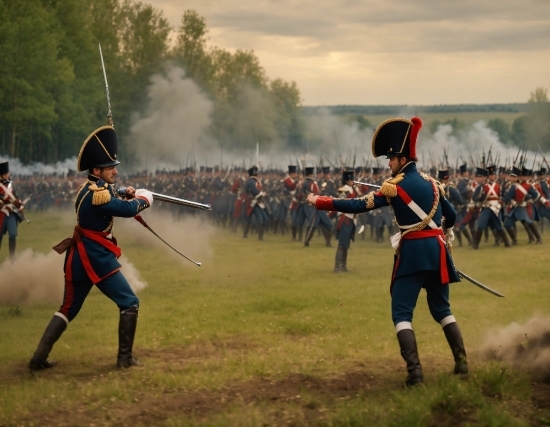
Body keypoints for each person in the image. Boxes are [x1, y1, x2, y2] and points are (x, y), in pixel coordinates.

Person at [307, 117, 468, 386]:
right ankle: (462, 363)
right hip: (438, 252)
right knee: (443, 310)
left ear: (402, 158)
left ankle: (415, 373)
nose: (388, 163)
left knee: (402, 313)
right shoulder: (433, 184)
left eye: (391, 158)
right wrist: (446, 234)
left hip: (413, 254)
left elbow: (358, 205)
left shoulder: (394, 186)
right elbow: (450, 215)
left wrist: (321, 201)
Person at [28, 125, 153, 370]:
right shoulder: (99, 195)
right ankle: (124, 360)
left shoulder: (90, 188)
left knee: (67, 309)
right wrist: (144, 199)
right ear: (96, 170)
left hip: (78, 258)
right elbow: (125, 210)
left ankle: (38, 359)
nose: (115, 172)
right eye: (110, 168)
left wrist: (125, 191)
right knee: (130, 302)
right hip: (95, 258)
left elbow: (109, 192)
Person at [470, 165, 511, 249]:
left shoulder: (499, 186)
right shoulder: (482, 186)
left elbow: (504, 197)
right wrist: (481, 196)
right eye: (491, 175)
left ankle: (507, 243)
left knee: (499, 226)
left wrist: (501, 202)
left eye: (493, 175)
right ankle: (475, 245)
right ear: (488, 176)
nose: (492, 176)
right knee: (480, 226)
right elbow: (474, 197)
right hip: (486, 208)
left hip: (496, 209)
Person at [0, 161, 26, 261]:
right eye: (4, 174)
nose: (7, 176)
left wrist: (21, 204)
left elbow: (16, 197)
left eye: (7, 174)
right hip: (1, 213)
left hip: (11, 212)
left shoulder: (11, 185)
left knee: (13, 234)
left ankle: (12, 256)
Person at [243, 165, 268, 240]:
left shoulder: (253, 181)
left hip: (256, 202)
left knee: (264, 218)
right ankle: (259, 237)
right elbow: (255, 191)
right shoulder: (251, 182)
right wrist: (262, 194)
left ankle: (248, 235)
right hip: (252, 203)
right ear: (255, 174)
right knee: (260, 219)